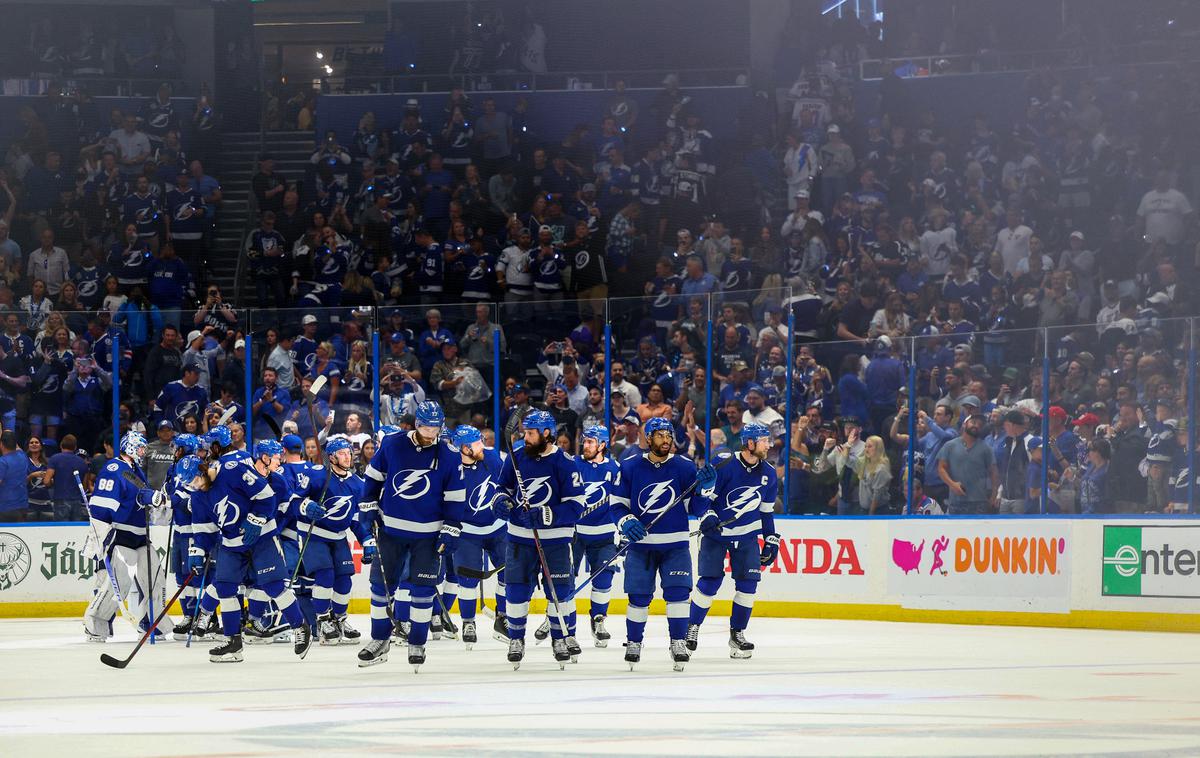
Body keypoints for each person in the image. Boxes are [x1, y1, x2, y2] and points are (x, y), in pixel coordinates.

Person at [189, 426, 314, 662]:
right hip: (231, 543)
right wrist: (198, 551)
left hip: (262, 538)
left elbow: (266, 496)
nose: (195, 485)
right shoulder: (198, 493)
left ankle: (300, 626)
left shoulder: (232, 469)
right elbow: (204, 529)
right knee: (224, 588)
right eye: (190, 483)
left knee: (274, 585)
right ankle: (232, 643)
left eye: (195, 479)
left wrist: (256, 520)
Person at [358, 401, 462, 671]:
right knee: (381, 588)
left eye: (436, 427)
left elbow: (455, 498)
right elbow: (372, 478)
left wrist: (451, 529)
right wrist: (368, 507)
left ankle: (417, 642)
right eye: (427, 427)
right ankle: (379, 639)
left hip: (428, 536)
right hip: (391, 531)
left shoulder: (449, 455)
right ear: (416, 424)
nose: (432, 433)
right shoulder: (392, 444)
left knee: (423, 591)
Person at [612, 416, 716, 671]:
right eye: (660, 435)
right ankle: (634, 642)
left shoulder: (685, 466)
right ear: (648, 438)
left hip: (675, 545)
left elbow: (696, 507)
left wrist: (706, 490)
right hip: (641, 545)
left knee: (679, 594)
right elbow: (616, 505)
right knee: (638, 596)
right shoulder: (629, 467)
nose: (666, 439)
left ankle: (678, 642)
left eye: (669, 435)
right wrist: (625, 522)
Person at [494, 409, 586, 669]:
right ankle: (516, 638)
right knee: (516, 590)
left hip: (555, 541)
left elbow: (576, 505)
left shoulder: (565, 463)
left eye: (531, 433)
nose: (526, 436)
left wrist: (546, 514)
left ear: (547, 433)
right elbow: (502, 488)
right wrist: (500, 502)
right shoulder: (517, 457)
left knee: (559, 592)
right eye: (525, 432)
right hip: (519, 540)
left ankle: (559, 637)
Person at [687, 422, 778, 659]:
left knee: (748, 586)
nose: (769, 444)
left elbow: (766, 512)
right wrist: (707, 515)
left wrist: (770, 539)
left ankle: (737, 635)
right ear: (750, 443)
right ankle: (691, 627)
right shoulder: (724, 463)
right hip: (717, 535)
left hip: (747, 535)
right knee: (709, 583)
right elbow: (703, 497)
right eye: (764, 440)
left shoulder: (768, 472)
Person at [82, 432, 171, 641]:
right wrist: (100, 535)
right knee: (119, 584)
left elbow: (138, 496)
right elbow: (102, 505)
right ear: (129, 448)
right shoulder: (114, 468)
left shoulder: (135, 469)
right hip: (121, 534)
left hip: (140, 534)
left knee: (155, 579)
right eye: (140, 448)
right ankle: (95, 624)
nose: (143, 452)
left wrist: (151, 499)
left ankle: (152, 622)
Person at [292, 437, 368, 646]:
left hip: (338, 537)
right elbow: (294, 500)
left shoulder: (356, 484)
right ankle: (323, 620)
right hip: (314, 534)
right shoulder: (317, 475)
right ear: (332, 457)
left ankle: (340, 619)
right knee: (325, 576)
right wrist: (306, 507)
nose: (348, 456)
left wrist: (367, 540)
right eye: (342, 453)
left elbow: (356, 519)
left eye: (349, 453)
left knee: (344, 580)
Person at [446, 425, 508, 648]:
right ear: (463, 448)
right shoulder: (450, 468)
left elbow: (508, 485)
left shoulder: (492, 458)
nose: (482, 445)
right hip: (467, 531)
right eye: (476, 443)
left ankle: (503, 617)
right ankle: (468, 622)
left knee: (507, 574)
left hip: (497, 527)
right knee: (467, 580)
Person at [572, 425, 622, 648]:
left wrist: (623, 529)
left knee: (604, 579)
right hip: (573, 534)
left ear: (602, 445)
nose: (586, 445)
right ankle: (554, 615)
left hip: (604, 535)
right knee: (562, 578)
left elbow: (623, 502)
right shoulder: (572, 464)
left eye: (591, 442)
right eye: (585, 441)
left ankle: (598, 620)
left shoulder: (616, 468)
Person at [935, 413, 998, 515]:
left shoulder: (986, 448)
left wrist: (994, 495)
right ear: (964, 424)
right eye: (973, 422)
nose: (976, 426)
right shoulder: (950, 446)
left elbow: (994, 473)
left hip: (979, 501)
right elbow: (941, 468)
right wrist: (952, 484)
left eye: (980, 425)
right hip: (956, 501)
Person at [44, 434, 88, 520]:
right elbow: (84, 486)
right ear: (75, 447)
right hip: (77, 501)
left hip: (60, 499)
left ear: (61, 445)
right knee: (76, 530)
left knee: (61, 530)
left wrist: (53, 483)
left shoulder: (54, 459)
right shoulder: (82, 462)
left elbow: (46, 481)